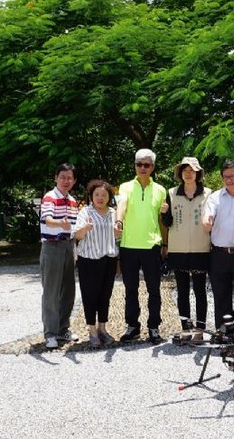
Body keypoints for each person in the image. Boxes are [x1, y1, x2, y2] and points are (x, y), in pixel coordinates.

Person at [116, 149, 167, 344]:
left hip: (152, 246)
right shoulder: (126, 186)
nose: (143, 168)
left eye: (147, 165)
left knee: (154, 290)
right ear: (135, 166)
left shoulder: (160, 190)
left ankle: (154, 327)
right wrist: (119, 222)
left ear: (153, 167)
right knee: (131, 290)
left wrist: (165, 243)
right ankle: (132, 326)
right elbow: (122, 204)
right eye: (139, 164)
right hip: (129, 247)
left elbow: (162, 220)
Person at [161, 157, 212, 339]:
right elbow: (167, 223)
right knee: (182, 291)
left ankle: (200, 330)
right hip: (179, 249)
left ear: (198, 173)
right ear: (180, 173)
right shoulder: (172, 193)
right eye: (185, 170)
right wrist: (164, 213)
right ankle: (185, 328)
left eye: (192, 170)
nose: (188, 173)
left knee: (200, 291)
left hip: (201, 248)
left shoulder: (208, 194)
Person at [202, 159, 234, 328]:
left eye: (233, 176)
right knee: (221, 297)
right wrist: (207, 222)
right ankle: (224, 334)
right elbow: (208, 215)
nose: (229, 180)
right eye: (225, 176)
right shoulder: (215, 197)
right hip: (219, 254)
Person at [74, 179, 120, 347]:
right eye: (97, 195)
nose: (100, 198)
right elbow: (77, 236)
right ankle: (92, 330)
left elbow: (117, 237)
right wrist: (85, 228)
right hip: (89, 260)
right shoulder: (86, 212)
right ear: (91, 196)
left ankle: (103, 328)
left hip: (109, 259)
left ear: (109, 197)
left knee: (105, 296)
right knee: (90, 296)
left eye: (104, 195)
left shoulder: (113, 213)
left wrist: (117, 233)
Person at [39, 163, 79, 349]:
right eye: (62, 177)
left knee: (68, 290)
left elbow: (76, 226)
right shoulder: (49, 197)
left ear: (74, 180)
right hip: (52, 246)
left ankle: (63, 328)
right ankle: (50, 333)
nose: (66, 180)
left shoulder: (72, 200)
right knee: (51, 291)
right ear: (55, 178)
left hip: (68, 246)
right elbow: (47, 219)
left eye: (69, 177)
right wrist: (59, 224)